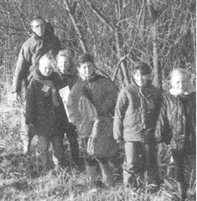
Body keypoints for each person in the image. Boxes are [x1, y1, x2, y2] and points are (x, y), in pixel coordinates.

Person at [11, 16, 62, 155]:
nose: (40, 29)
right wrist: (15, 90)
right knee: (28, 115)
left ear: (46, 25)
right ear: (32, 29)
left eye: (42, 25)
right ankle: (26, 146)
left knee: (52, 115)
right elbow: (20, 68)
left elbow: (62, 60)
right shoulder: (28, 45)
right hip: (33, 85)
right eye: (37, 26)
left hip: (52, 83)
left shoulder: (54, 41)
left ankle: (49, 150)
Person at [67, 53, 119, 188]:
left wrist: (102, 110)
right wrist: (78, 122)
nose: (87, 69)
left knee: (101, 152)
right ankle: (92, 182)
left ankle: (108, 181)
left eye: (89, 66)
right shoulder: (77, 87)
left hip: (101, 124)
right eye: (84, 67)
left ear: (94, 66)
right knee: (88, 153)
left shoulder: (104, 82)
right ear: (79, 69)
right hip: (85, 126)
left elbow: (113, 96)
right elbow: (71, 106)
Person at [113, 63, 162, 191]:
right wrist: (118, 136)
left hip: (148, 134)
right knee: (131, 162)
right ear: (133, 76)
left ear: (149, 76)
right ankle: (130, 188)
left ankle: (152, 186)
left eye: (144, 75)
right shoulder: (127, 92)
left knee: (150, 161)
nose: (140, 78)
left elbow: (159, 114)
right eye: (137, 75)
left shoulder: (155, 92)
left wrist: (159, 132)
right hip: (131, 134)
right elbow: (118, 114)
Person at [156, 68, 196, 201]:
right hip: (177, 140)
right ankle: (181, 196)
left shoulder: (194, 96)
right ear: (172, 83)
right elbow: (163, 118)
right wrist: (160, 135)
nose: (181, 85)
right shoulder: (169, 98)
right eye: (177, 82)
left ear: (189, 81)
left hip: (193, 139)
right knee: (178, 169)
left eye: (184, 81)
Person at [26, 53, 68, 172]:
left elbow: (64, 100)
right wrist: (30, 121)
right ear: (39, 66)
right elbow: (30, 103)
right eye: (45, 68)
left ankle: (59, 168)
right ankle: (46, 169)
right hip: (41, 122)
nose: (48, 71)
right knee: (43, 147)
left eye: (50, 68)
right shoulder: (34, 82)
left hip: (56, 121)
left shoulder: (58, 80)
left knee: (58, 146)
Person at [56, 48, 82, 167]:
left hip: (71, 112)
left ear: (70, 63)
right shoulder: (54, 77)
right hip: (58, 112)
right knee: (59, 138)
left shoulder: (75, 78)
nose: (63, 65)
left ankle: (76, 160)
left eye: (65, 62)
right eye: (60, 62)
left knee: (72, 138)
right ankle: (62, 162)